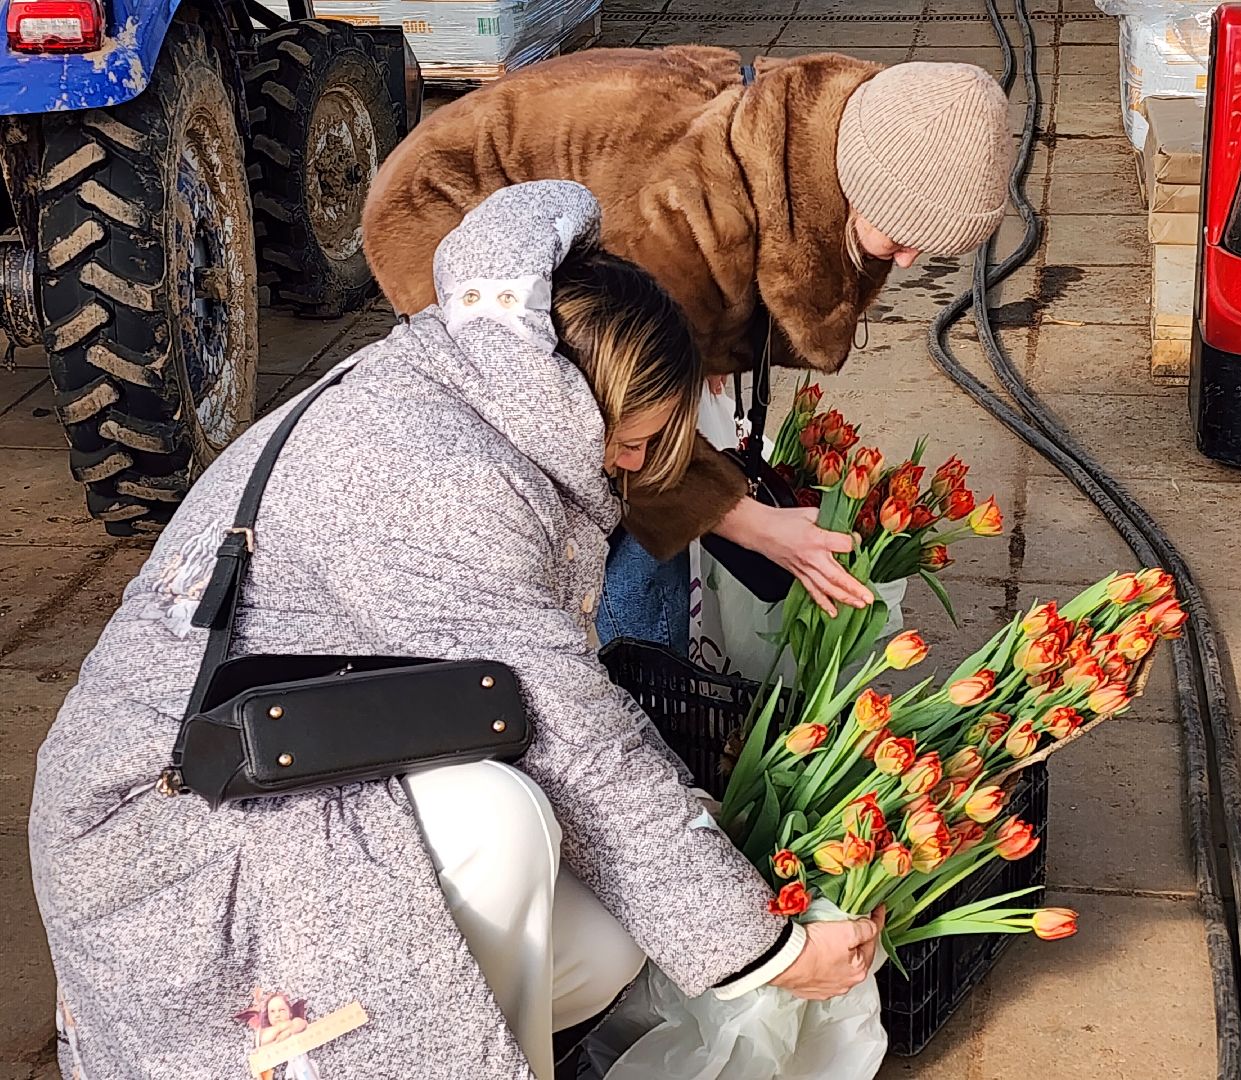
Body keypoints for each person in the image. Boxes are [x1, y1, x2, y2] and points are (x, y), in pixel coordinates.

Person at [28, 182, 883, 1080]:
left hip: (268, 746)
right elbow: (575, 738)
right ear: (577, 396)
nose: (630, 469)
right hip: (160, 829)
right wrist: (768, 951)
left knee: (603, 943)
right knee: (503, 818)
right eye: (632, 443)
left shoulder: (452, 384)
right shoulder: (443, 480)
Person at [362, 48, 1013, 655]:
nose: (906, 260)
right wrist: (750, 522)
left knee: (657, 430)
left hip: (584, 205)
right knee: (587, 454)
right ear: (858, 181)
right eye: (901, 234)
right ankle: (625, 668)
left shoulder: (816, 123)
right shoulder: (688, 212)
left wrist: (701, 354)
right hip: (444, 203)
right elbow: (607, 408)